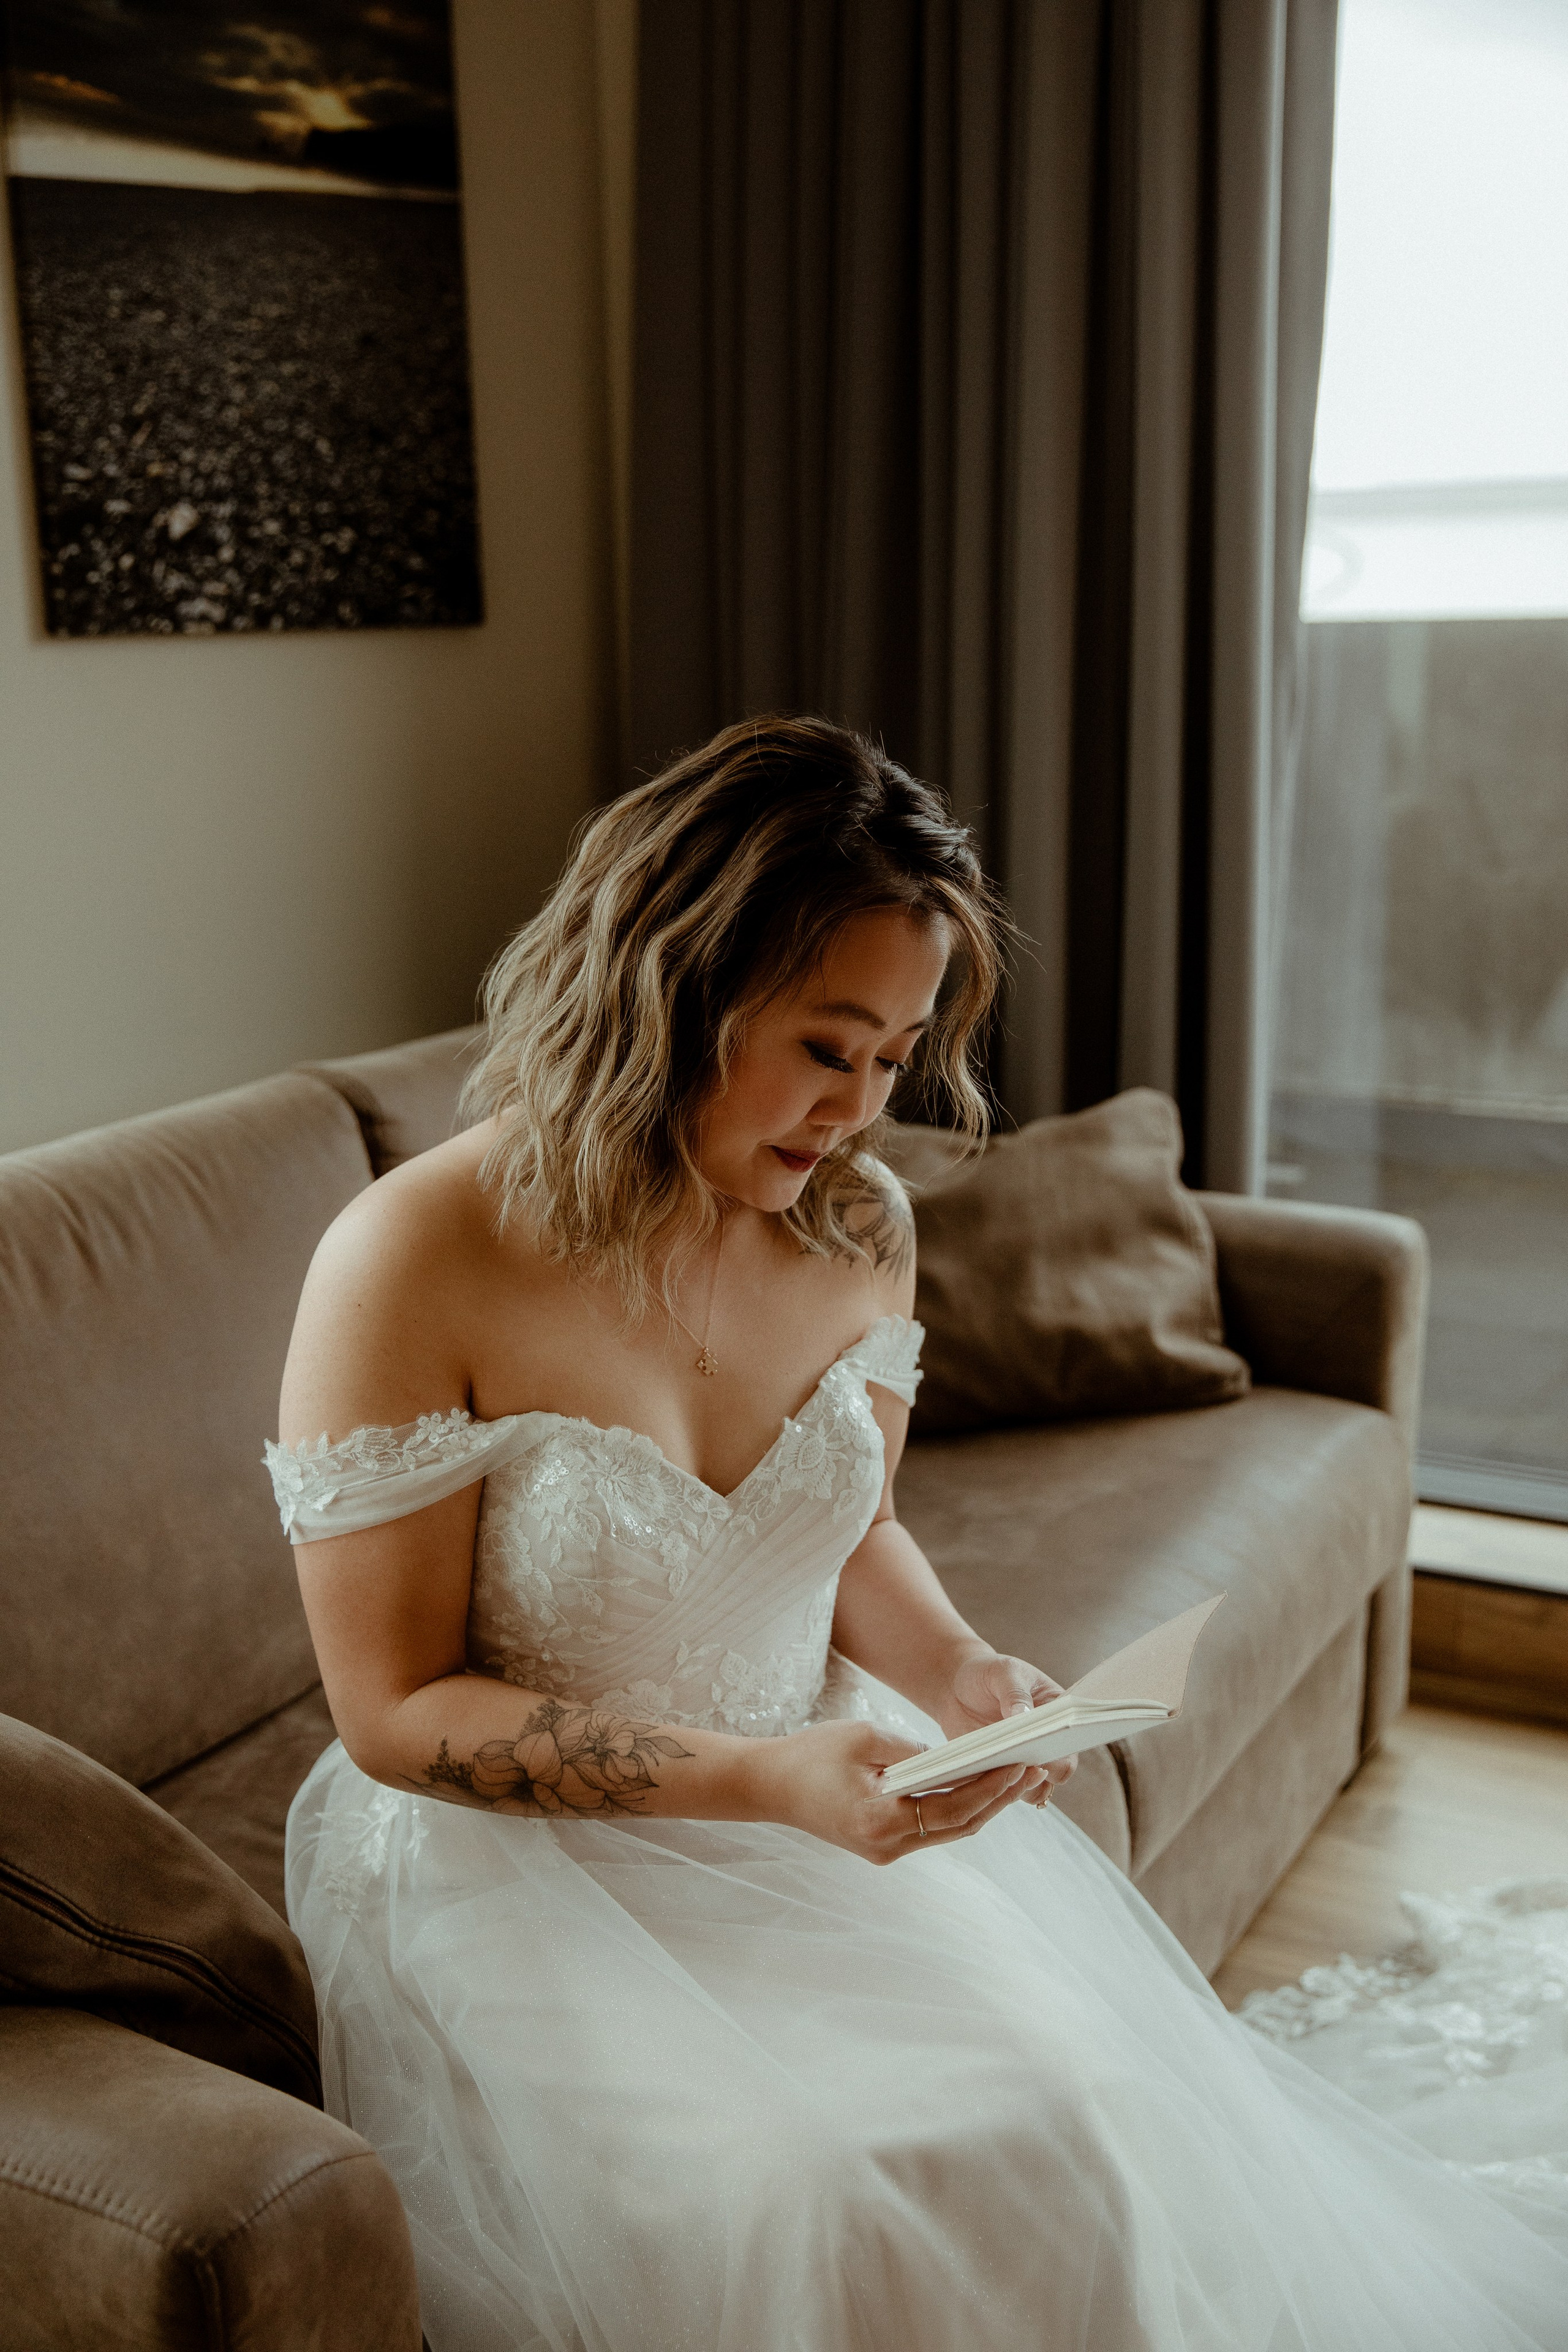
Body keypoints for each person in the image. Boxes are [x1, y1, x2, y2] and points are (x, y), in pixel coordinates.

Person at [270, 717, 1568, 2352]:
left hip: (816, 1789)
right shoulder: (409, 1258)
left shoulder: (859, 1223)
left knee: (1066, 2111)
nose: (863, 1112)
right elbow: (392, 1714)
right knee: (813, 2192)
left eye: (894, 1058)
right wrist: (760, 1788)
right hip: (527, 1869)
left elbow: (848, 1525)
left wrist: (953, 1671)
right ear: (675, 985)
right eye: (830, 1048)